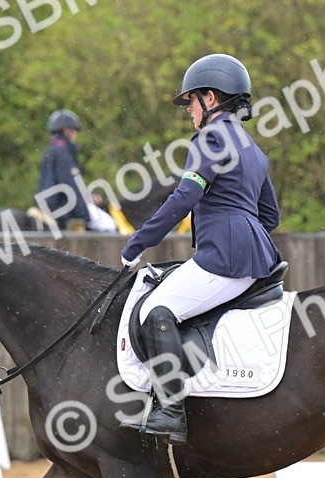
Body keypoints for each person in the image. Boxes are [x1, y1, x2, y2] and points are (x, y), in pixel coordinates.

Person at [119, 53, 282, 444]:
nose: (188, 110)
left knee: (155, 312)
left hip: (222, 258)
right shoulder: (253, 149)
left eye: (190, 101)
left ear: (210, 98)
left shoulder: (209, 138)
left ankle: (171, 411)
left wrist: (137, 242)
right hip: (256, 256)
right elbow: (270, 215)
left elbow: (184, 197)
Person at [37, 109, 91, 231]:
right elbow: (71, 186)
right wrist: (85, 216)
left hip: (46, 207)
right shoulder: (63, 153)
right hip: (61, 212)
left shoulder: (51, 151)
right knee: (107, 225)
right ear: (67, 131)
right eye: (75, 131)